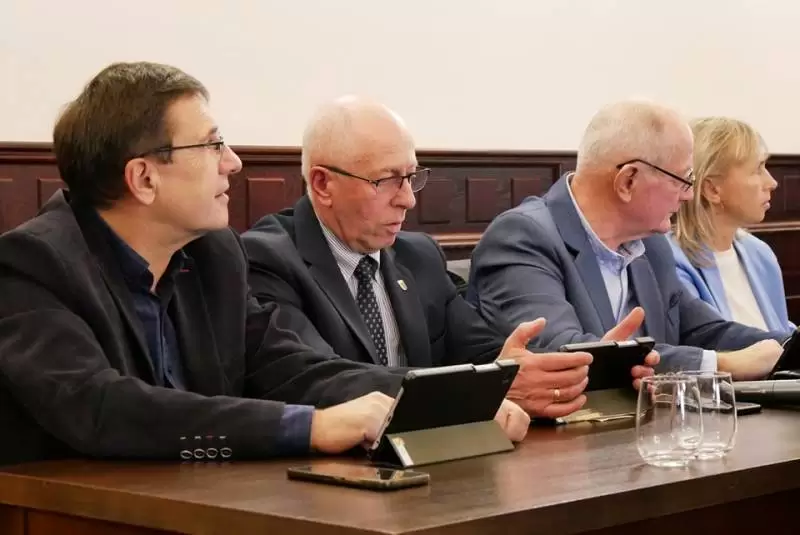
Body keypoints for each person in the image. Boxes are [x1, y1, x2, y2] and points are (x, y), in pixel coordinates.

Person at [0, 62, 515, 466]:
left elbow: (290, 367)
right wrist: (309, 427)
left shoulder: (213, 256)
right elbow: (101, 408)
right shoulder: (31, 266)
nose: (233, 162)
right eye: (212, 144)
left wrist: (454, 402)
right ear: (144, 178)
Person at [243, 96, 653, 419]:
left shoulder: (417, 255)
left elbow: (484, 353)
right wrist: (481, 388)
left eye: (411, 177)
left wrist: (586, 366)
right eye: (387, 180)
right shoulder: (267, 259)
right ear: (322, 184)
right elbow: (311, 379)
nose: (407, 200)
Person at [467, 100, 786, 381]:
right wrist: (721, 364)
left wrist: (788, 348)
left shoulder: (652, 245)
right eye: (683, 180)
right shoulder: (522, 238)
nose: (689, 195)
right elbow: (561, 353)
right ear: (628, 181)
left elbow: (702, 330)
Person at [669, 117, 794, 334]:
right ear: (712, 190)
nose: (772, 183)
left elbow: (782, 330)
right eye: (757, 169)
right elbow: (705, 344)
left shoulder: (759, 253)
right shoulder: (671, 263)